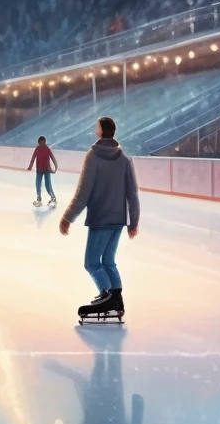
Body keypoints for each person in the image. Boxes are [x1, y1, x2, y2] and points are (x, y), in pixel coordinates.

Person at [60, 116, 140, 320]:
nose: (94, 130)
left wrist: (68, 216)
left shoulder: (93, 156)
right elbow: (133, 194)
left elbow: (83, 191)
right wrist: (133, 222)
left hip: (100, 218)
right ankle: (116, 298)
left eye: (96, 127)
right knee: (109, 262)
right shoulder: (124, 159)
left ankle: (107, 294)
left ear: (101, 132)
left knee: (92, 263)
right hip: (118, 220)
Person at [28, 135, 58, 207]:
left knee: (48, 185)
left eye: (43, 143)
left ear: (45, 142)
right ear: (39, 143)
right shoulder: (37, 149)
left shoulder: (47, 149)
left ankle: (53, 198)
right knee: (38, 184)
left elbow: (52, 157)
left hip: (47, 170)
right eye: (41, 143)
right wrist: (30, 166)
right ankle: (39, 199)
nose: (42, 145)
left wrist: (56, 167)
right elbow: (33, 158)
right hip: (39, 170)